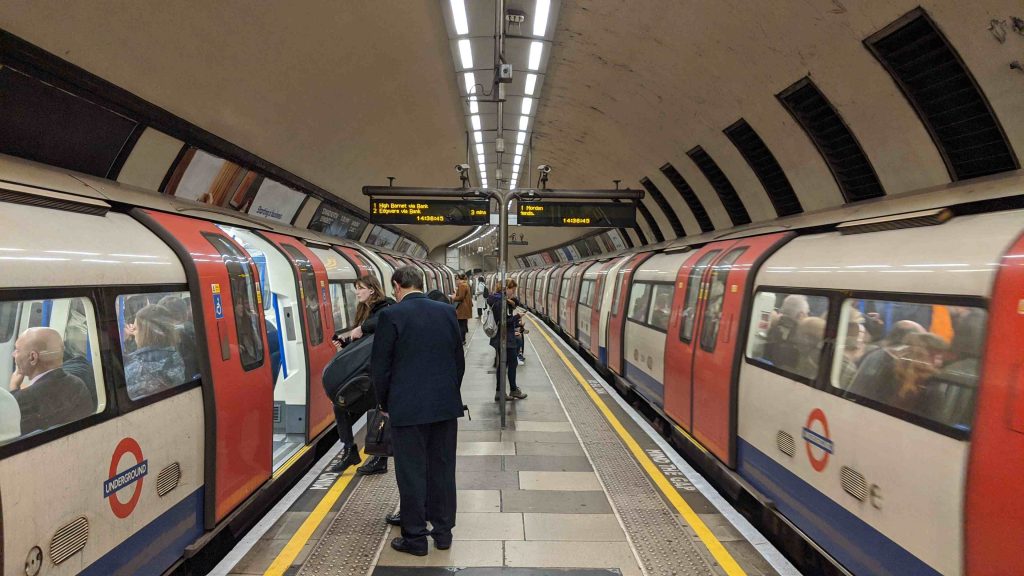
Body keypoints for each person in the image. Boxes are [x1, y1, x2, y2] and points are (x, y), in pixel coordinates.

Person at [371, 265, 465, 556]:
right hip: (444, 407)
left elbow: (380, 368)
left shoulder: (391, 316)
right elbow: (458, 360)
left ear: (397, 286)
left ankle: (415, 538)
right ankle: (443, 532)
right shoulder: (446, 312)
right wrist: (448, 393)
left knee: (412, 473)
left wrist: (385, 405)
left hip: (407, 409)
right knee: (442, 469)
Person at [327, 274, 395, 475]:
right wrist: (346, 344)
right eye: (356, 288)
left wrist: (361, 328)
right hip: (366, 370)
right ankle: (350, 449)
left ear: (372, 290)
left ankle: (379, 459)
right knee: (341, 405)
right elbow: (364, 343)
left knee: (378, 410)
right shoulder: (363, 310)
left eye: (360, 288)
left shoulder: (385, 306)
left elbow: (381, 323)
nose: (357, 292)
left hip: (379, 370)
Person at [9, 327, 93, 434]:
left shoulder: (23, 399)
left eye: (17, 350)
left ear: (33, 357)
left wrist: (14, 389)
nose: (13, 354)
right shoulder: (78, 383)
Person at [124, 304, 186, 399]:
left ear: (146, 333)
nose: (133, 333)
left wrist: (123, 341)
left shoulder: (132, 366)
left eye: (135, 329)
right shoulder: (177, 356)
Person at [488, 279, 528, 401]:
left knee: (504, 364)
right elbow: (505, 321)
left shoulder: (497, 299)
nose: (513, 293)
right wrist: (518, 316)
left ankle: (503, 391)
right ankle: (510, 390)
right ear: (507, 289)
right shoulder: (501, 302)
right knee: (510, 363)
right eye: (513, 290)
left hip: (503, 336)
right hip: (504, 337)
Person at [764, 294, 809, 371]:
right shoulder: (802, 340)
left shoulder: (771, 328)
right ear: (801, 315)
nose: (808, 316)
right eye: (807, 313)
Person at [451, 274, 472, 345]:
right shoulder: (465, 285)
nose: (456, 281)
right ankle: (463, 339)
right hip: (465, 308)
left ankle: (462, 340)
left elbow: (461, 297)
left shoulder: (462, 285)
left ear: (460, 279)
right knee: (463, 324)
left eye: (456, 279)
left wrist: (453, 297)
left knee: (461, 325)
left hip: (462, 308)